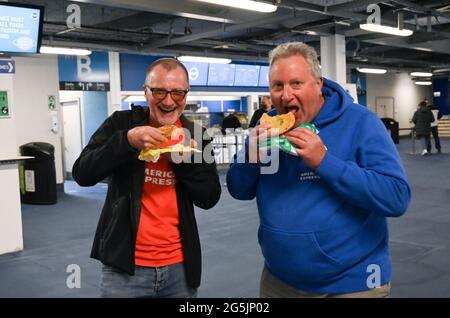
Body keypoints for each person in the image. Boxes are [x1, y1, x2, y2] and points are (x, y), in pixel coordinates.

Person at [226, 42, 411, 298]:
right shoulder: (266, 126)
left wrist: (325, 162)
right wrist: (249, 159)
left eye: (296, 83)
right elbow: (239, 190)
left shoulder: (361, 122)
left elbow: (396, 197)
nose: (286, 95)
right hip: (279, 280)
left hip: (352, 282)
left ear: (318, 84)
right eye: (277, 85)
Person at [72, 58, 221, 298]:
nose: (169, 101)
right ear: (146, 91)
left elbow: (210, 197)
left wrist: (182, 163)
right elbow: (82, 174)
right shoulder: (122, 124)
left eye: (178, 93)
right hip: (124, 267)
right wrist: (127, 141)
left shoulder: (195, 135)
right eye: (159, 91)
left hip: (180, 267)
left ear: (186, 94)